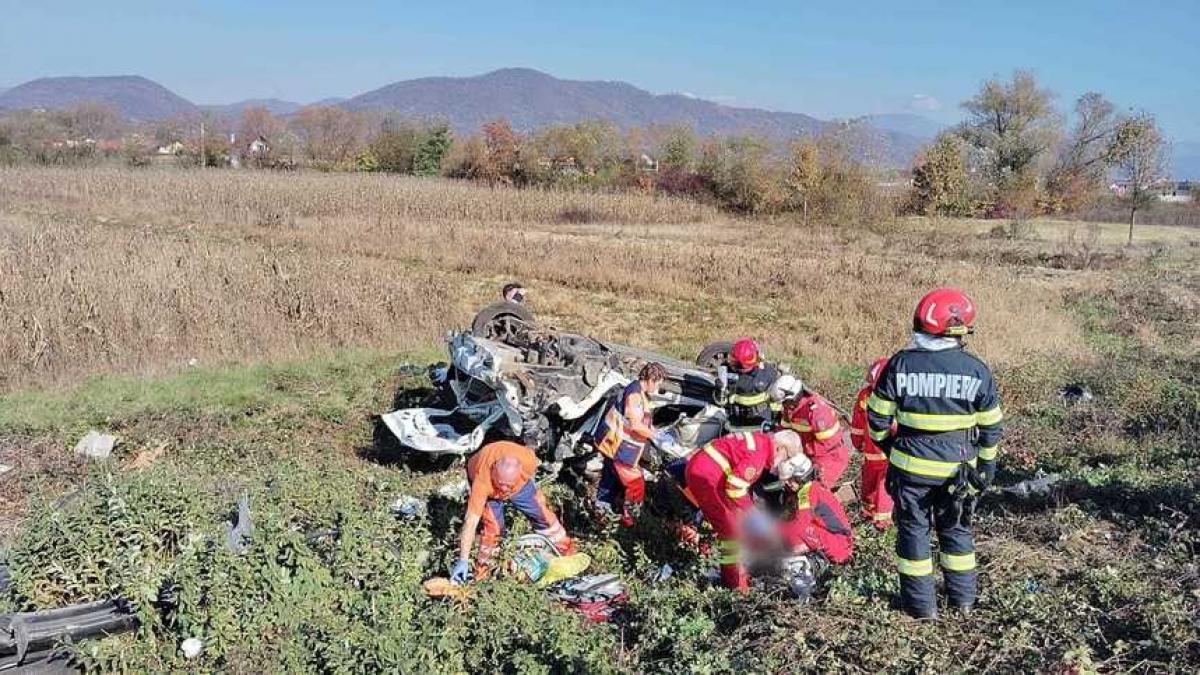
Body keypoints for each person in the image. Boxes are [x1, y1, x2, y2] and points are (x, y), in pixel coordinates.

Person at [866, 288, 1003, 619]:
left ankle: (921, 608)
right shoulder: (977, 370)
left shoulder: (899, 364)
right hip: (959, 469)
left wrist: (892, 448)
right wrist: (985, 468)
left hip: (911, 470)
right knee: (956, 531)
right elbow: (991, 429)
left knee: (914, 535)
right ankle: (964, 603)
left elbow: (877, 420)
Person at [684, 429, 803, 590]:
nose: (784, 463)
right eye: (787, 457)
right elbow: (735, 489)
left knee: (728, 521)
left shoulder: (760, 442)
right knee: (731, 534)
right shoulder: (758, 456)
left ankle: (714, 559)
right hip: (708, 478)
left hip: (707, 472)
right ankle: (733, 584)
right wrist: (754, 514)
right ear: (780, 449)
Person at [451, 441, 576, 583]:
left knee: (542, 514)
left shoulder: (529, 462)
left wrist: (511, 487)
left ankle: (565, 550)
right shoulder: (482, 480)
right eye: (501, 484)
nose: (504, 491)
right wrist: (463, 560)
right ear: (493, 471)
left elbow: (525, 483)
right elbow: (471, 521)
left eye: (507, 487)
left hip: (518, 486)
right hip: (490, 488)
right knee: (493, 529)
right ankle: (484, 572)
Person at [593, 362, 668, 526]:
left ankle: (602, 508)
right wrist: (657, 437)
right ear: (651, 380)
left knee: (610, 477)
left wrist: (653, 431)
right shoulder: (634, 395)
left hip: (617, 445)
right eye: (658, 383)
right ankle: (629, 519)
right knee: (635, 483)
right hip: (619, 446)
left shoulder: (638, 392)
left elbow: (643, 420)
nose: (657, 388)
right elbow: (634, 424)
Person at [851, 357, 894, 529]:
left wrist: (857, 443)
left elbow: (857, 425)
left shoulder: (865, 395)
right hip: (887, 451)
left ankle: (869, 513)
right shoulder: (896, 397)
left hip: (871, 450)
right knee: (882, 485)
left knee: (871, 481)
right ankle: (881, 521)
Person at [781, 391, 850, 488]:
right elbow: (785, 428)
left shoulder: (817, 414)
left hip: (829, 458)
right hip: (810, 454)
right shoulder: (791, 408)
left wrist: (802, 450)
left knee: (813, 489)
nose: (784, 405)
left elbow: (826, 444)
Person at [724, 338, 781, 432]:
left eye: (735, 362)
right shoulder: (769, 371)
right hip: (737, 417)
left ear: (743, 365)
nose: (731, 363)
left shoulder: (763, 377)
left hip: (759, 421)